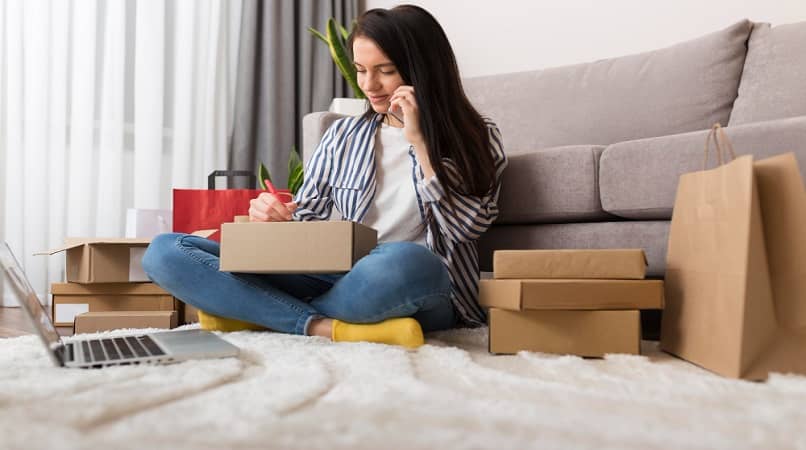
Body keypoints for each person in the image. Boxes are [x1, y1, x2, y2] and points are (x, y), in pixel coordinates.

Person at [142, 5, 507, 349]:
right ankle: (320, 325)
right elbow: (307, 217)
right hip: (337, 273)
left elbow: (466, 228)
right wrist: (275, 214)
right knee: (165, 251)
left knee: (408, 261)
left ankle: (259, 313)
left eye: (385, 70)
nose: (369, 84)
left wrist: (420, 145)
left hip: (416, 281)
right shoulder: (343, 135)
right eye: (361, 69)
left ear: (422, 69)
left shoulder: (476, 136)